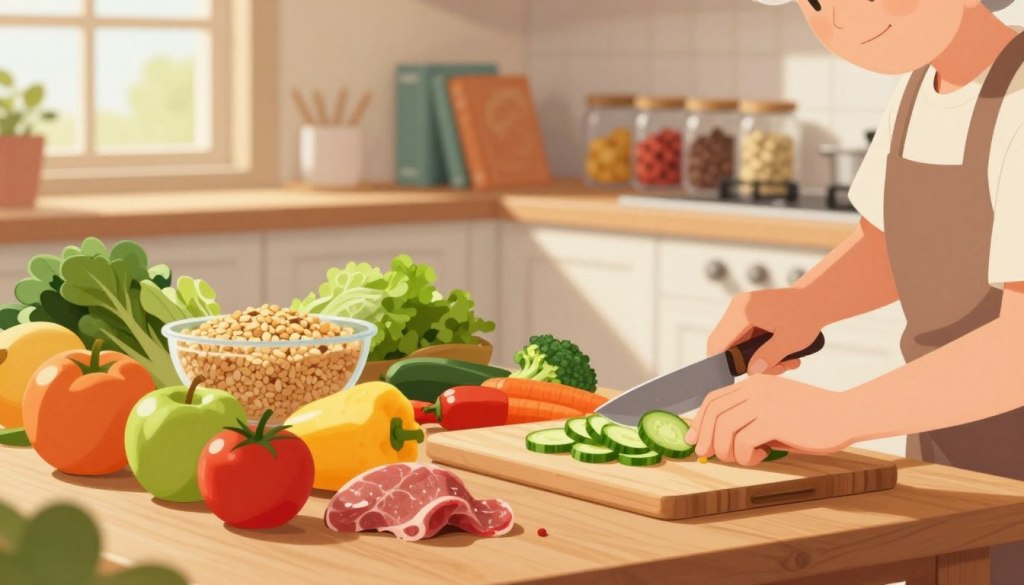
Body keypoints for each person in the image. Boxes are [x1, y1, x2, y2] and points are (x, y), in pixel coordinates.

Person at [685, 1, 1024, 581]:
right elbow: (890, 242)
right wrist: (806, 303)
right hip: (947, 430)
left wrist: (840, 414)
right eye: (818, 1)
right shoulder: (920, 87)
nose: (845, 20)